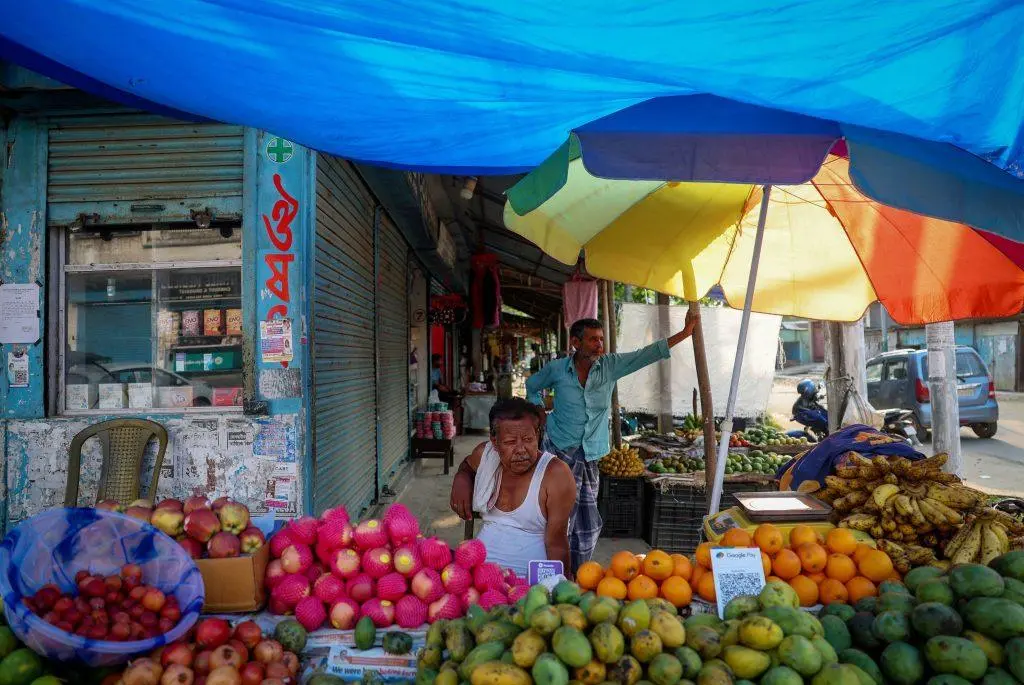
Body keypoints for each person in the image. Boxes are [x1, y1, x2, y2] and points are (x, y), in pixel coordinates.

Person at [524, 311, 698, 571]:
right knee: (555, 513)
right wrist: (539, 413)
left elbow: (645, 355)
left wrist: (684, 334)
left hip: (590, 453)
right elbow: (532, 385)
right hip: (559, 447)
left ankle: (579, 569)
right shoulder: (557, 369)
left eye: (601, 339)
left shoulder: (610, 365)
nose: (599, 345)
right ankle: (551, 565)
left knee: (587, 518)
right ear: (575, 343)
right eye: (593, 340)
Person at [449, 398, 576, 576]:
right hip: (480, 574)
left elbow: (557, 543)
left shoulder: (555, 474)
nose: (521, 449)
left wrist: (561, 588)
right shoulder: (485, 456)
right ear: (494, 441)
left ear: (537, 435)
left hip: (528, 583)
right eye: (509, 442)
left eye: (528, 439)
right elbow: (467, 466)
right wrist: (461, 478)